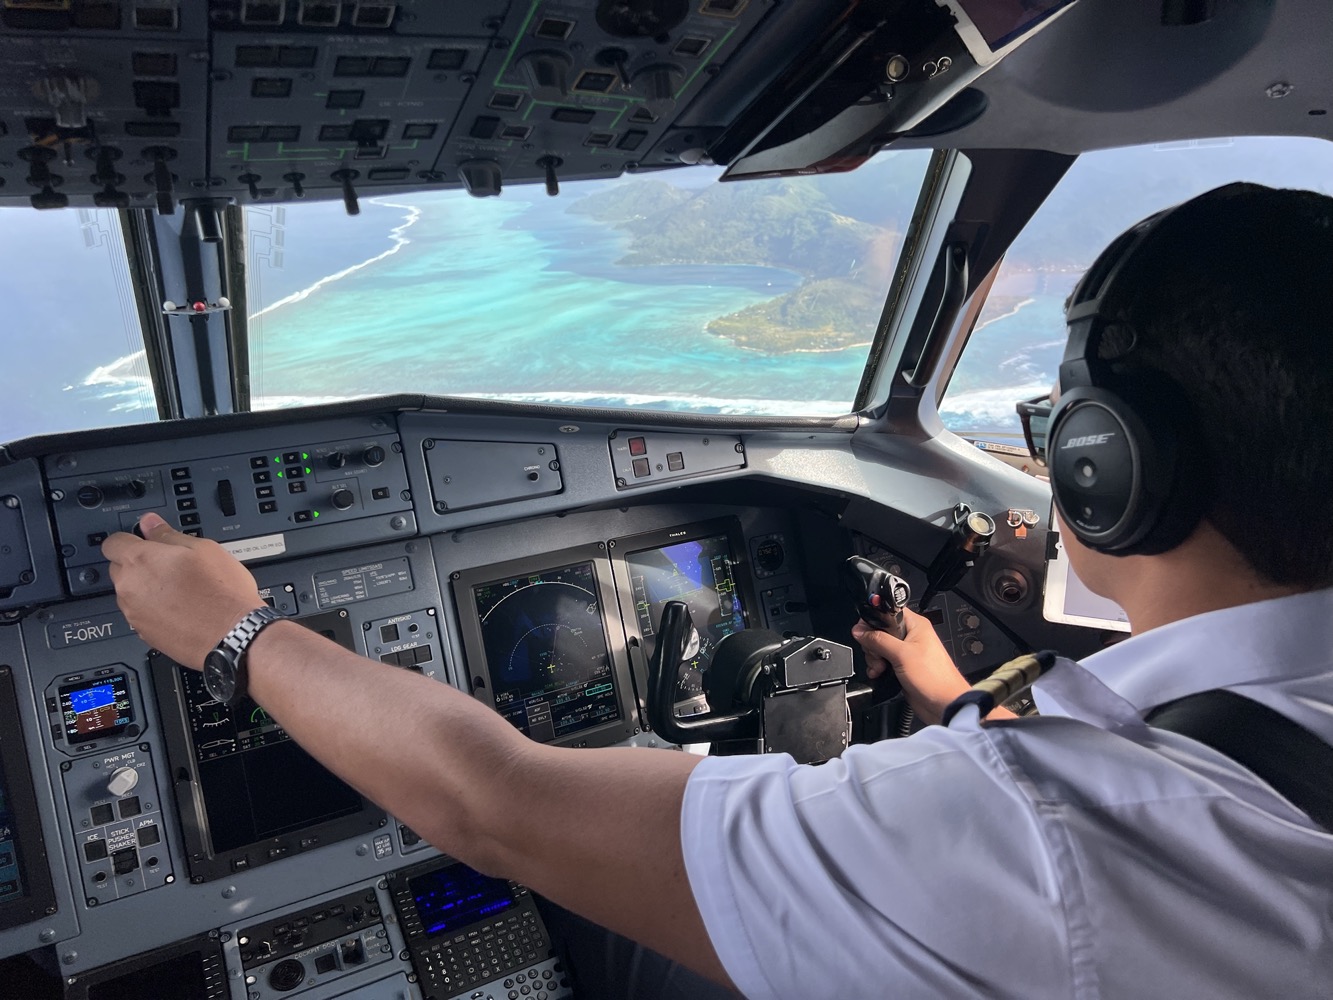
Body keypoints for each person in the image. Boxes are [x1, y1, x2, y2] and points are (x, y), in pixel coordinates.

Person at [102, 183, 1333, 999]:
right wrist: (955, 699)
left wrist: (236, 630)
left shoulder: (1048, 841)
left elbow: (495, 802)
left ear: (1105, 464)